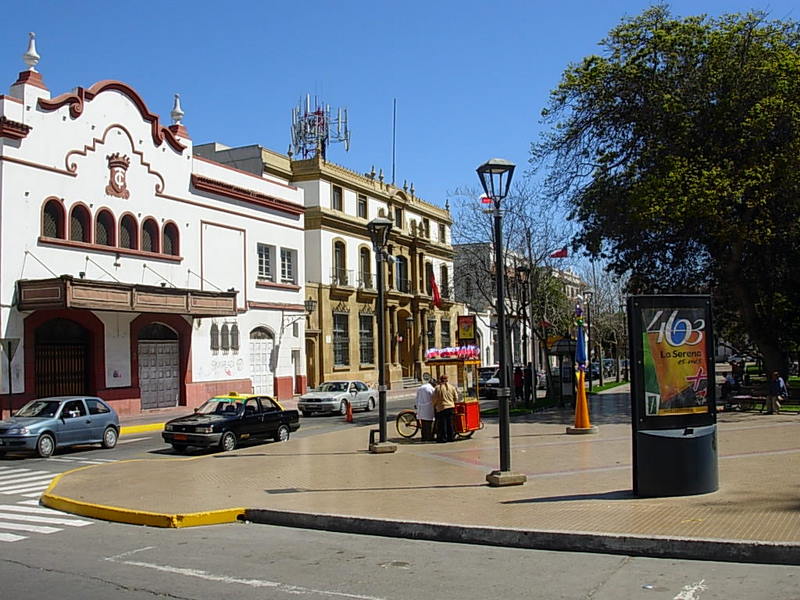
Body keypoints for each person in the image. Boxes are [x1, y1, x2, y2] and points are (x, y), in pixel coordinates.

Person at [432, 373, 457, 443]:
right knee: (450, 423)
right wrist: (452, 402)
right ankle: (451, 437)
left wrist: (434, 405)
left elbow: (434, 399)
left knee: (442, 424)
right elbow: (456, 397)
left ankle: (443, 438)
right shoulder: (452, 387)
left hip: (442, 407)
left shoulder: (437, 388)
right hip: (451, 407)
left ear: (440, 380)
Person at [414, 377, 436, 442]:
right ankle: (429, 437)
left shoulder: (421, 387)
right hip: (428, 408)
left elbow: (417, 397)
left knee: (423, 423)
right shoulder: (431, 389)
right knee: (429, 423)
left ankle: (424, 437)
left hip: (421, 407)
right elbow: (434, 398)